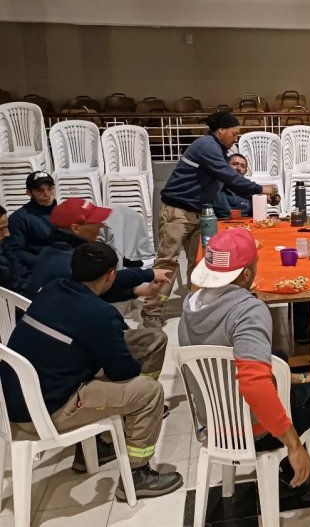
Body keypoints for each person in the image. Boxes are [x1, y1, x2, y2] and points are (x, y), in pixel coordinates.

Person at [179, 229, 310, 489]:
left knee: (279, 357)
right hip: (251, 429)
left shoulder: (190, 304)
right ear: (246, 273)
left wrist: (299, 378)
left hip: (214, 422)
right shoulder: (246, 311)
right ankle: (288, 468)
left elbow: (232, 366)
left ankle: (295, 384)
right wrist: (293, 444)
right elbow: (254, 384)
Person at [0, 242, 182, 497]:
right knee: (149, 392)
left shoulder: (54, 287)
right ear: (110, 274)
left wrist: (147, 275)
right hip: (47, 413)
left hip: (14, 400)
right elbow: (121, 371)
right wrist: (125, 365)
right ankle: (138, 474)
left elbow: (110, 286)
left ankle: (107, 441)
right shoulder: (100, 316)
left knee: (151, 340)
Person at [141, 112, 278, 329]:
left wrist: (255, 194)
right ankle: (152, 312)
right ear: (221, 130)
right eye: (234, 133)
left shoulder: (218, 150)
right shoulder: (207, 145)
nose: (236, 138)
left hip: (199, 213)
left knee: (199, 262)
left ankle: (194, 307)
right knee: (168, 261)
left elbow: (229, 183)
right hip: (178, 211)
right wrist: (261, 189)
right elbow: (229, 177)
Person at [27, 198, 170, 302]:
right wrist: (149, 274)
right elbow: (103, 281)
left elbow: (94, 291)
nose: (101, 225)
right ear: (76, 228)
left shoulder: (59, 248)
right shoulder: (68, 260)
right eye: (94, 222)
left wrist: (137, 291)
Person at [5, 171, 57, 282]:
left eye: (50, 188)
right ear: (29, 193)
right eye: (40, 190)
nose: (47, 194)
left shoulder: (62, 212)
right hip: (40, 273)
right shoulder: (19, 218)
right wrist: (44, 262)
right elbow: (14, 251)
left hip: (64, 264)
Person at [213, 153, 253, 218]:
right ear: (226, 166)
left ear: (246, 171)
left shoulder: (251, 190)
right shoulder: (215, 187)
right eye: (235, 164)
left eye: (243, 166)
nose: (239, 168)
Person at [0, 204, 25, 293]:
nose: (7, 234)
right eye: (1, 229)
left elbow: (18, 272)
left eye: (6, 227)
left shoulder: (3, 247)